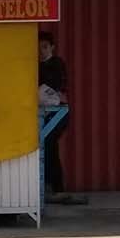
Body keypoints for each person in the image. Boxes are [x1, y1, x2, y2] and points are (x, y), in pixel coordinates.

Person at [39, 33, 80, 205]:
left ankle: (55, 188)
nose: (41, 51)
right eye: (39, 47)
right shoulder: (35, 65)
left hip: (58, 113)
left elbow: (59, 86)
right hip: (43, 112)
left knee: (48, 145)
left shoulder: (56, 64)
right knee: (46, 147)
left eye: (45, 47)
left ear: (52, 47)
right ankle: (51, 188)